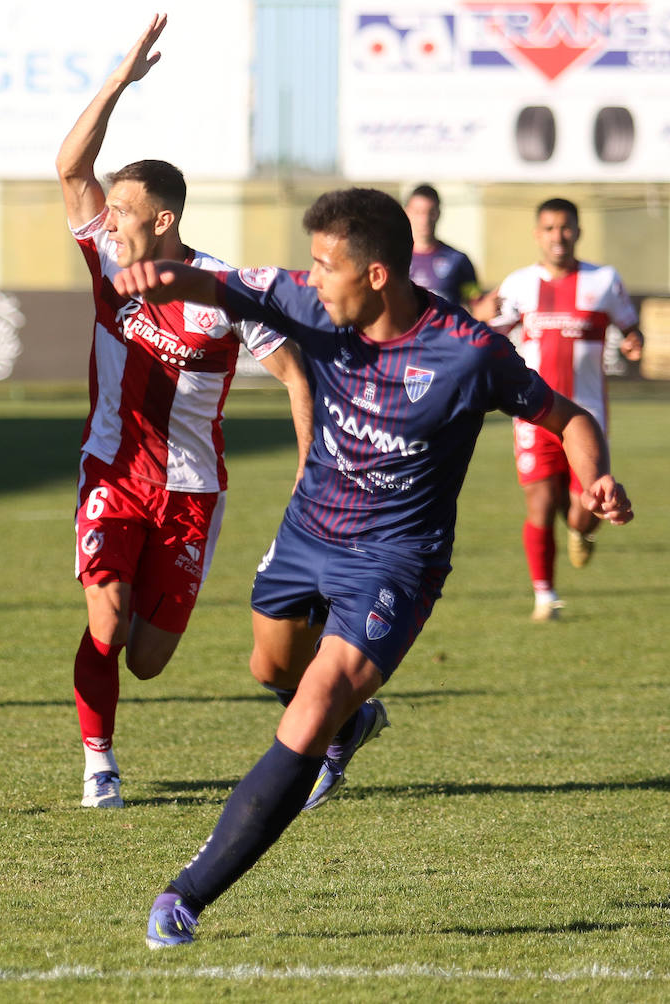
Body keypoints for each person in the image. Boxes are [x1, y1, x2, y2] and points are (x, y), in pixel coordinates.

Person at [110, 187, 635, 948]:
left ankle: (184, 896)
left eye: (327, 266)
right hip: (307, 533)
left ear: (378, 274)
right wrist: (159, 278)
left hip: (395, 560)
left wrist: (596, 476)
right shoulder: (310, 304)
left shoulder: (467, 352)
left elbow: (568, 416)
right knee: (271, 666)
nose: (313, 277)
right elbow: (220, 283)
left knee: (308, 707)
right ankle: (353, 725)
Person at [55, 14, 313, 810]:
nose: (110, 221)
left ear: (161, 220)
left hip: (194, 491)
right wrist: (120, 81)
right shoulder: (106, 257)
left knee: (148, 659)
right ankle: (99, 763)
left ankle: (338, 716)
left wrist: (313, 474)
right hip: (113, 474)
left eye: (125, 211)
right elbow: (71, 168)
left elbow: (296, 376)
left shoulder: (225, 290)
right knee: (107, 619)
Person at [474, 198, 643, 621]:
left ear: (578, 231)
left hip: (586, 417)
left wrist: (634, 340)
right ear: (538, 234)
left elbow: (630, 327)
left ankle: (582, 533)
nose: (558, 236)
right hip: (533, 414)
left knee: (586, 510)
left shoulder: (604, 281)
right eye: (549, 228)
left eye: (565, 228)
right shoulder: (518, 284)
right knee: (540, 503)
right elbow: (483, 332)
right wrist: (478, 314)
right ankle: (545, 597)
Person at [404, 184, 480, 307]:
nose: (425, 219)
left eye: (431, 212)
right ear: (407, 212)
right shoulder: (395, 259)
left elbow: (476, 303)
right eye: (418, 212)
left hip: (448, 326)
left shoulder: (459, 260)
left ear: (439, 213)